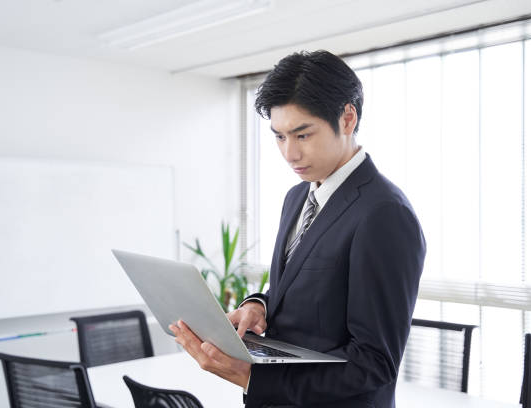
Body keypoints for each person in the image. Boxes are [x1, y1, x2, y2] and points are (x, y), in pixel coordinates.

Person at [170, 50, 426, 408]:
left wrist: (249, 377)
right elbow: (303, 291)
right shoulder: (296, 198)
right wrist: (258, 305)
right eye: (279, 137)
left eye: (302, 135)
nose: (289, 154)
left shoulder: (383, 213)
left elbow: (374, 365)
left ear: (347, 118)